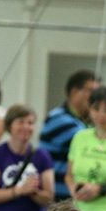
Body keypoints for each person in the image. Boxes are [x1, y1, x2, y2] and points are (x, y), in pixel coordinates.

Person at [39, 70, 95, 201]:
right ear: (75, 92)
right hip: (59, 199)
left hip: (78, 199)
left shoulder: (87, 122)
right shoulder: (57, 118)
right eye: (91, 91)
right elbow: (91, 141)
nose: (95, 97)